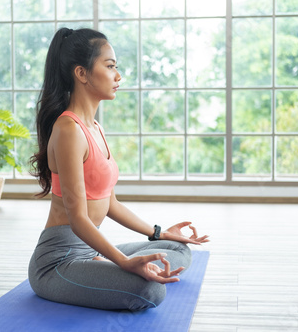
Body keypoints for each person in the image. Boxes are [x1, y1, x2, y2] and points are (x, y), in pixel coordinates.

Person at [28, 27, 209, 311]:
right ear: (82, 73)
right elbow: (77, 218)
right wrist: (123, 262)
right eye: (110, 66)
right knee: (149, 290)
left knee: (178, 250)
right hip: (58, 261)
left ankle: (102, 267)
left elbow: (109, 203)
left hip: (90, 249)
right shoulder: (68, 130)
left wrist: (159, 233)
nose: (118, 76)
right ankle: (104, 269)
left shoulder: (95, 128)